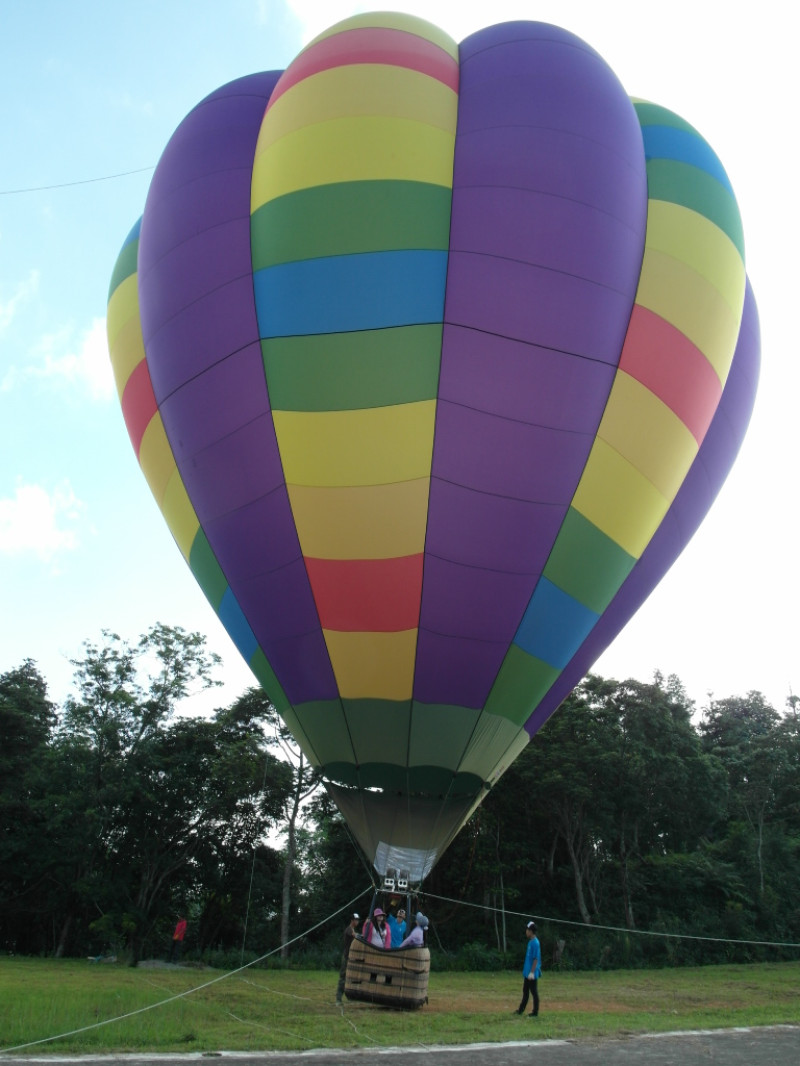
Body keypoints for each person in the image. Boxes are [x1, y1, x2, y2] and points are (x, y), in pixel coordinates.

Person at [513, 920, 541, 1016]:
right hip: (527, 972)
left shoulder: (535, 943)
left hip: (531, 973)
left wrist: (532, 972)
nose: (526, 932)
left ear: (531, 931)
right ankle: (520, 1010)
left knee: (533, 992)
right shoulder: (530, 942)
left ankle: (535, 1012)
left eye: (527, 930)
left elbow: (536, 959)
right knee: (525, 991)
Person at [335, 912, 360, 1004]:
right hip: (346, 957)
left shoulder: (352, 929)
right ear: (352, 921)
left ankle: (350, 996)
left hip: (351, 957)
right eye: (356, 920)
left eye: (358, 920)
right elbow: (355, 936)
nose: (357, 922)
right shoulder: (349, 930)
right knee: (343, 978)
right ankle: (338, 998)